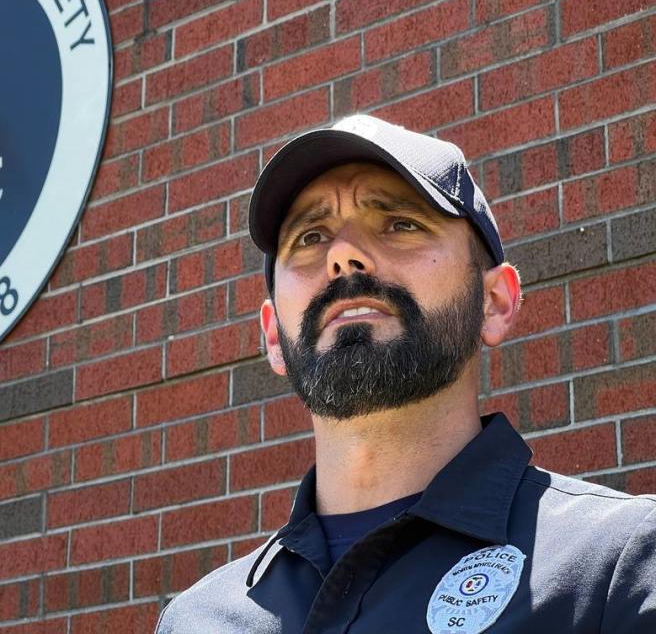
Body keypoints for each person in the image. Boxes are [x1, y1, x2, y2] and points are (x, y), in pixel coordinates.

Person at [154, 114, 656, 633]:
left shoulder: (620, 567)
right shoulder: (196, 619)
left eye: (400, 224)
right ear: (275, 336)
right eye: (310, 236)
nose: (344, 255)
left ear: (494, 302)